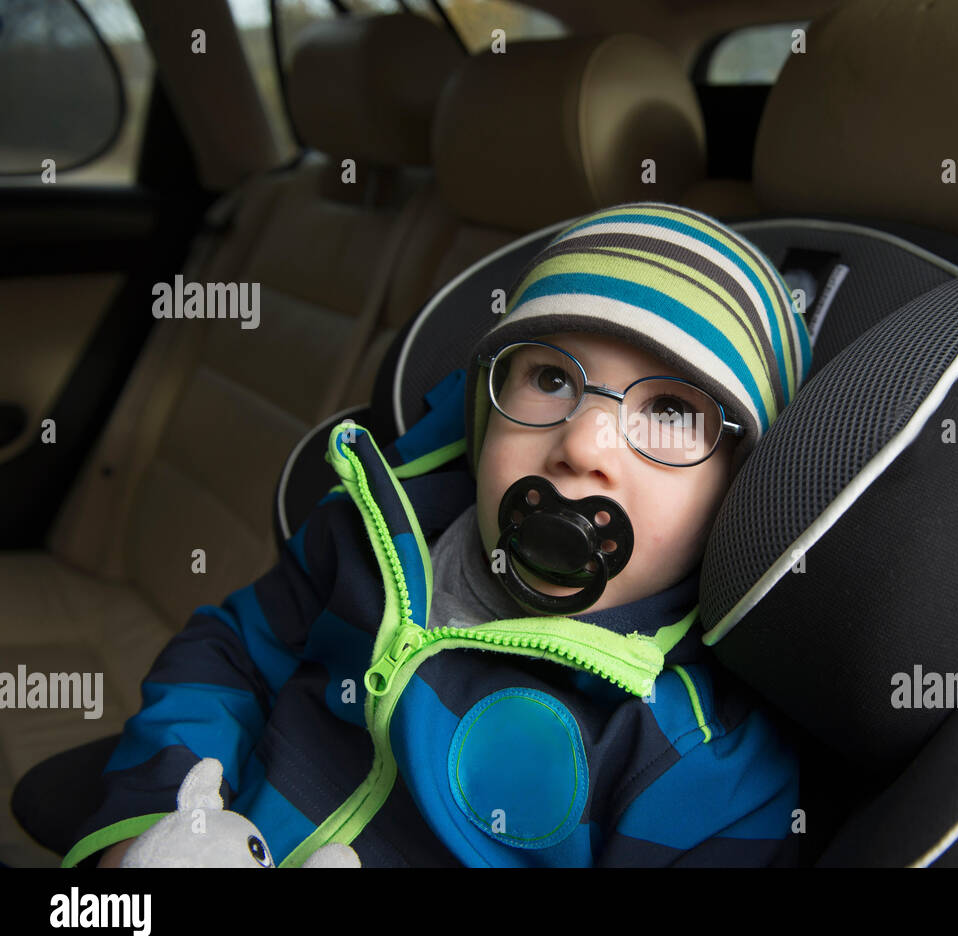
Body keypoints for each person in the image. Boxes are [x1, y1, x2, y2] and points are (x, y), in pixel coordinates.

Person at [72, 201, 813, 868]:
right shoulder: (373, 539)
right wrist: (160, 815)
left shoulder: (702, 768)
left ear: (737, 491)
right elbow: (229, 652)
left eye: (671, 413)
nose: (584, 443)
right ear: (485, 415)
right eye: (551, 378)